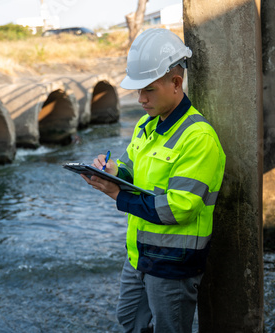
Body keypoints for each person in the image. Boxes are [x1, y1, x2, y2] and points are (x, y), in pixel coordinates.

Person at [81, 28, 226, 333]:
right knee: (129, 318)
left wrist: (117, 196)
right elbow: (130, 167)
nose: (140, 98)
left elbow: (177, 209)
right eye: (138, 90)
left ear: (176, 82)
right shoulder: (146, 126)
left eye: (148, 89)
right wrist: (111, 171)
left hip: (174, 263)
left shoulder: (199, 138)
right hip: (139, 255)